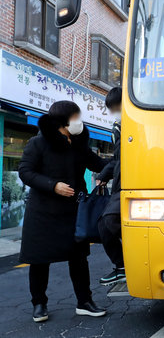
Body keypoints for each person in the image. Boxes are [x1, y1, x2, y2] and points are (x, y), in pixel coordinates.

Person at [19, 101, 108, 323]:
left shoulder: (78, 145)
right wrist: (53, 185)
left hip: (74, 211)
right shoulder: (38, 143)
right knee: (39, 260)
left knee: (79, 259)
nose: (80, 120)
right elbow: (25, 172)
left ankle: (84, 302)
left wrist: (122, 160)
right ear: (63, 120)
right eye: (76, 116)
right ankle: (39, 304)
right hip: (43, 212)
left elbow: (99, 164)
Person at [96, 87, 125, 285]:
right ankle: (123, 265)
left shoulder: (131, 125)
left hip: (128, 181)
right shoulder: (119, 126)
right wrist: (104, 175)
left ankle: (124, 265)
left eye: (116, 107)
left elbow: (120, 157)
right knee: (105, 224)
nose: (114, 112)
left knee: (107, 223)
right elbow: (117, 158)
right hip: (121, 180)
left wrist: (104, 175)